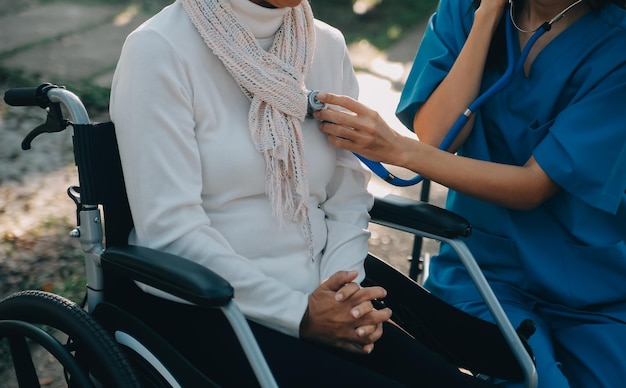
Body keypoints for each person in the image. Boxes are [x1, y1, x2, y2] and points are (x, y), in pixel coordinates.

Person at [109, 0, 494, 386]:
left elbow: (347, 198)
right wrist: (301, 314)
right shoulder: (159, 49)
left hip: (326, 292)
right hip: (213, 304)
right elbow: (170, 231)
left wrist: (344, 293)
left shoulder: (324, 45)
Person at [314, 0, 626, 387]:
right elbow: (438, 136)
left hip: (593, 286)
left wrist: (398, 150)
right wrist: (486, 18)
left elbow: (532, 186)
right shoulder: (466, 10)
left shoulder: (618, 46)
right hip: (485, 271)